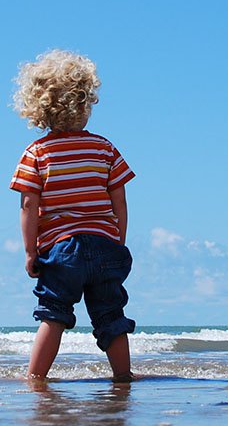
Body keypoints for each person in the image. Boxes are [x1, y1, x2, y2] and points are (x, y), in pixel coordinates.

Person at [9, 49, 136, 380]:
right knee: (111, 315)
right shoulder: (104, 148)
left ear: (40, 108)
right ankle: (123, 378)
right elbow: (119, 199)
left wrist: (30, 252)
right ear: (85, 103)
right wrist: (117, 239)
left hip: (62, 250)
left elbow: (28, 205)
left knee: (53, 315)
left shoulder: (37, 154)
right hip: (106, 247)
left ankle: (36, 379)